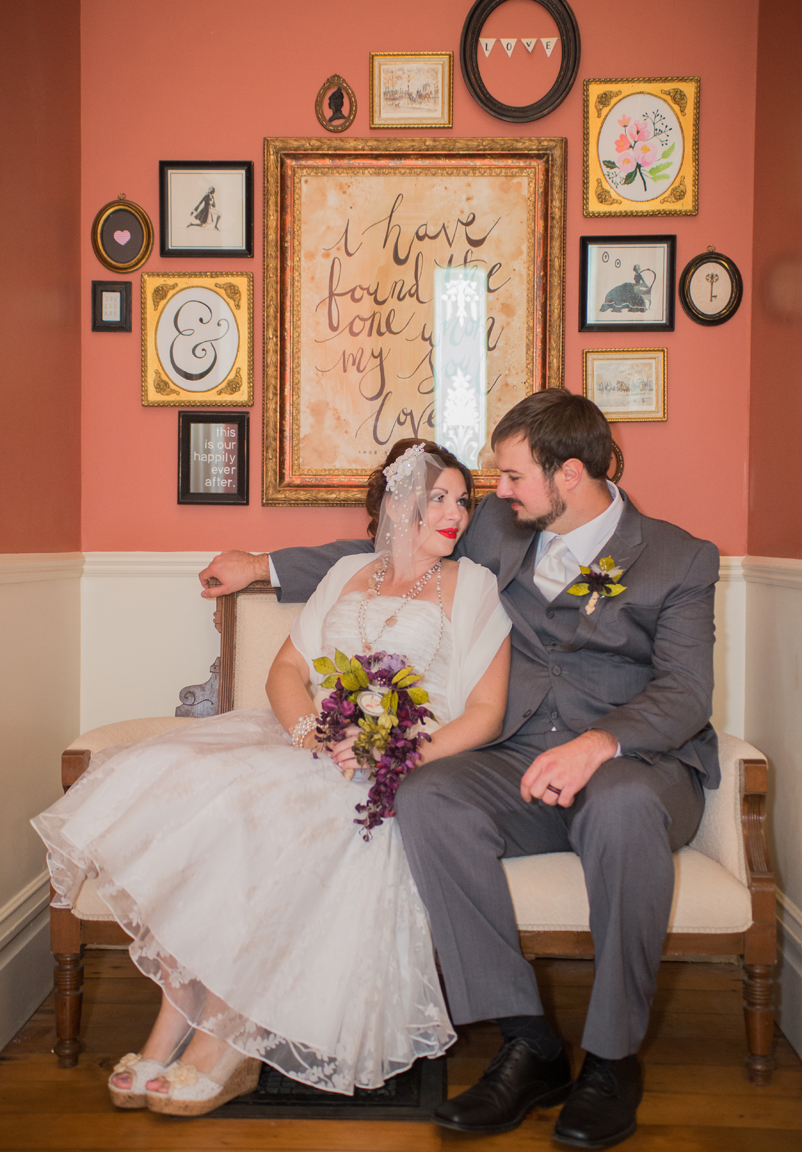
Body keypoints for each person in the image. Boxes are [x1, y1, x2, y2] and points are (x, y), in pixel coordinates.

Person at [200, 389, 719, 1149]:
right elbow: (388, 549)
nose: (496, 494)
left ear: (568, 473)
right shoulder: (505, 532)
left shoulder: (680, 557)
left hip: (633, 765)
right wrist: (261, 566)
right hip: (514, 760)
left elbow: (685, 692)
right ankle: (529, 1042)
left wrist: (595, 746)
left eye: (511, 477)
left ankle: (612, 1061)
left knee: (622, 806)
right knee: (426, 792)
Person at [33, 441, 512, 1117]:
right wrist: (307, 733)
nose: (456, 514)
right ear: (397, 504)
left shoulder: (476, 586)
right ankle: (170, 1025)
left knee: (271, 820)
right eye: (439, 498)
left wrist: (398, 752)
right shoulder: (349, 569)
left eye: (463, 501)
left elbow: (486, 713)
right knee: (192, 785)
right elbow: (286, 673)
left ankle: (227, 1039)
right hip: (304, 743)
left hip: (401, 767)